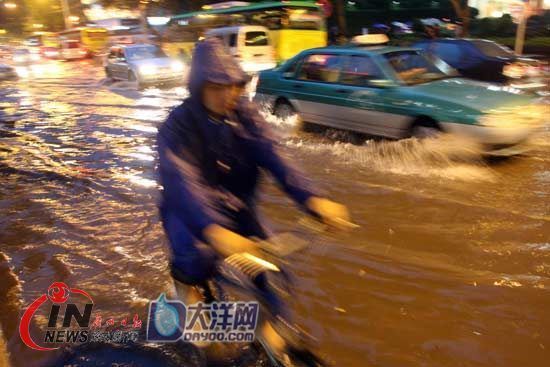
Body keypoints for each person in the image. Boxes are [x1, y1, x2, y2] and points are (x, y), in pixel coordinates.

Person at [157, 38, 351, 363]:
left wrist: (314, 199)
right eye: (218, 87)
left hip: (237, 209)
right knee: (195, 261)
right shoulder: (177, 127)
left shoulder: (244, 115)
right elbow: (182, 183)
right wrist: (211, 230)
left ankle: (271, 334)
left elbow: (275, 155)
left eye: (234, 85)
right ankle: (187, 296)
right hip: (191, 218)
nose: (228, 95)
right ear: (200, 85)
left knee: (268, 271)